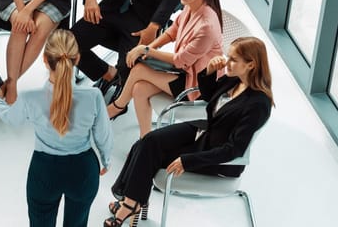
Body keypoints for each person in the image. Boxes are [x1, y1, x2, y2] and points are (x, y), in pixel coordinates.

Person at [103, 36, 273, 227]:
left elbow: (234, 150)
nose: (227, 62)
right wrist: (208, 73)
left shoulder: (258, 105)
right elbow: (210, 98)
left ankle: (129, 204)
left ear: (251, 65)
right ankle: (133, 202)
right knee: (148, 141)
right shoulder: (235, 79)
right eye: (228, 56)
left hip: (215, 154)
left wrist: (188, 161)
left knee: (149, 152)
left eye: (234, 59)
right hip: (205, 130)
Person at [0, 29, 113, 227]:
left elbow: (9, 118)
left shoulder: (30, 98)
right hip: (83, 171)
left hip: (45, 172)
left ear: (45, 60)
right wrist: (106, 161)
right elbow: (103, 137)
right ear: (77, 58)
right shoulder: (94, 97)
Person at [108, 0, 223, 137]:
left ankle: (116, 107)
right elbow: (172, 31)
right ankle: (144, 139)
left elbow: (180, 60)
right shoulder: (191, 6)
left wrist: (146, 50)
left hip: (199, 84)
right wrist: (149, 47)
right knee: (139, 88)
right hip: (185, 71)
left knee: (139, 70)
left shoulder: (207, 26)